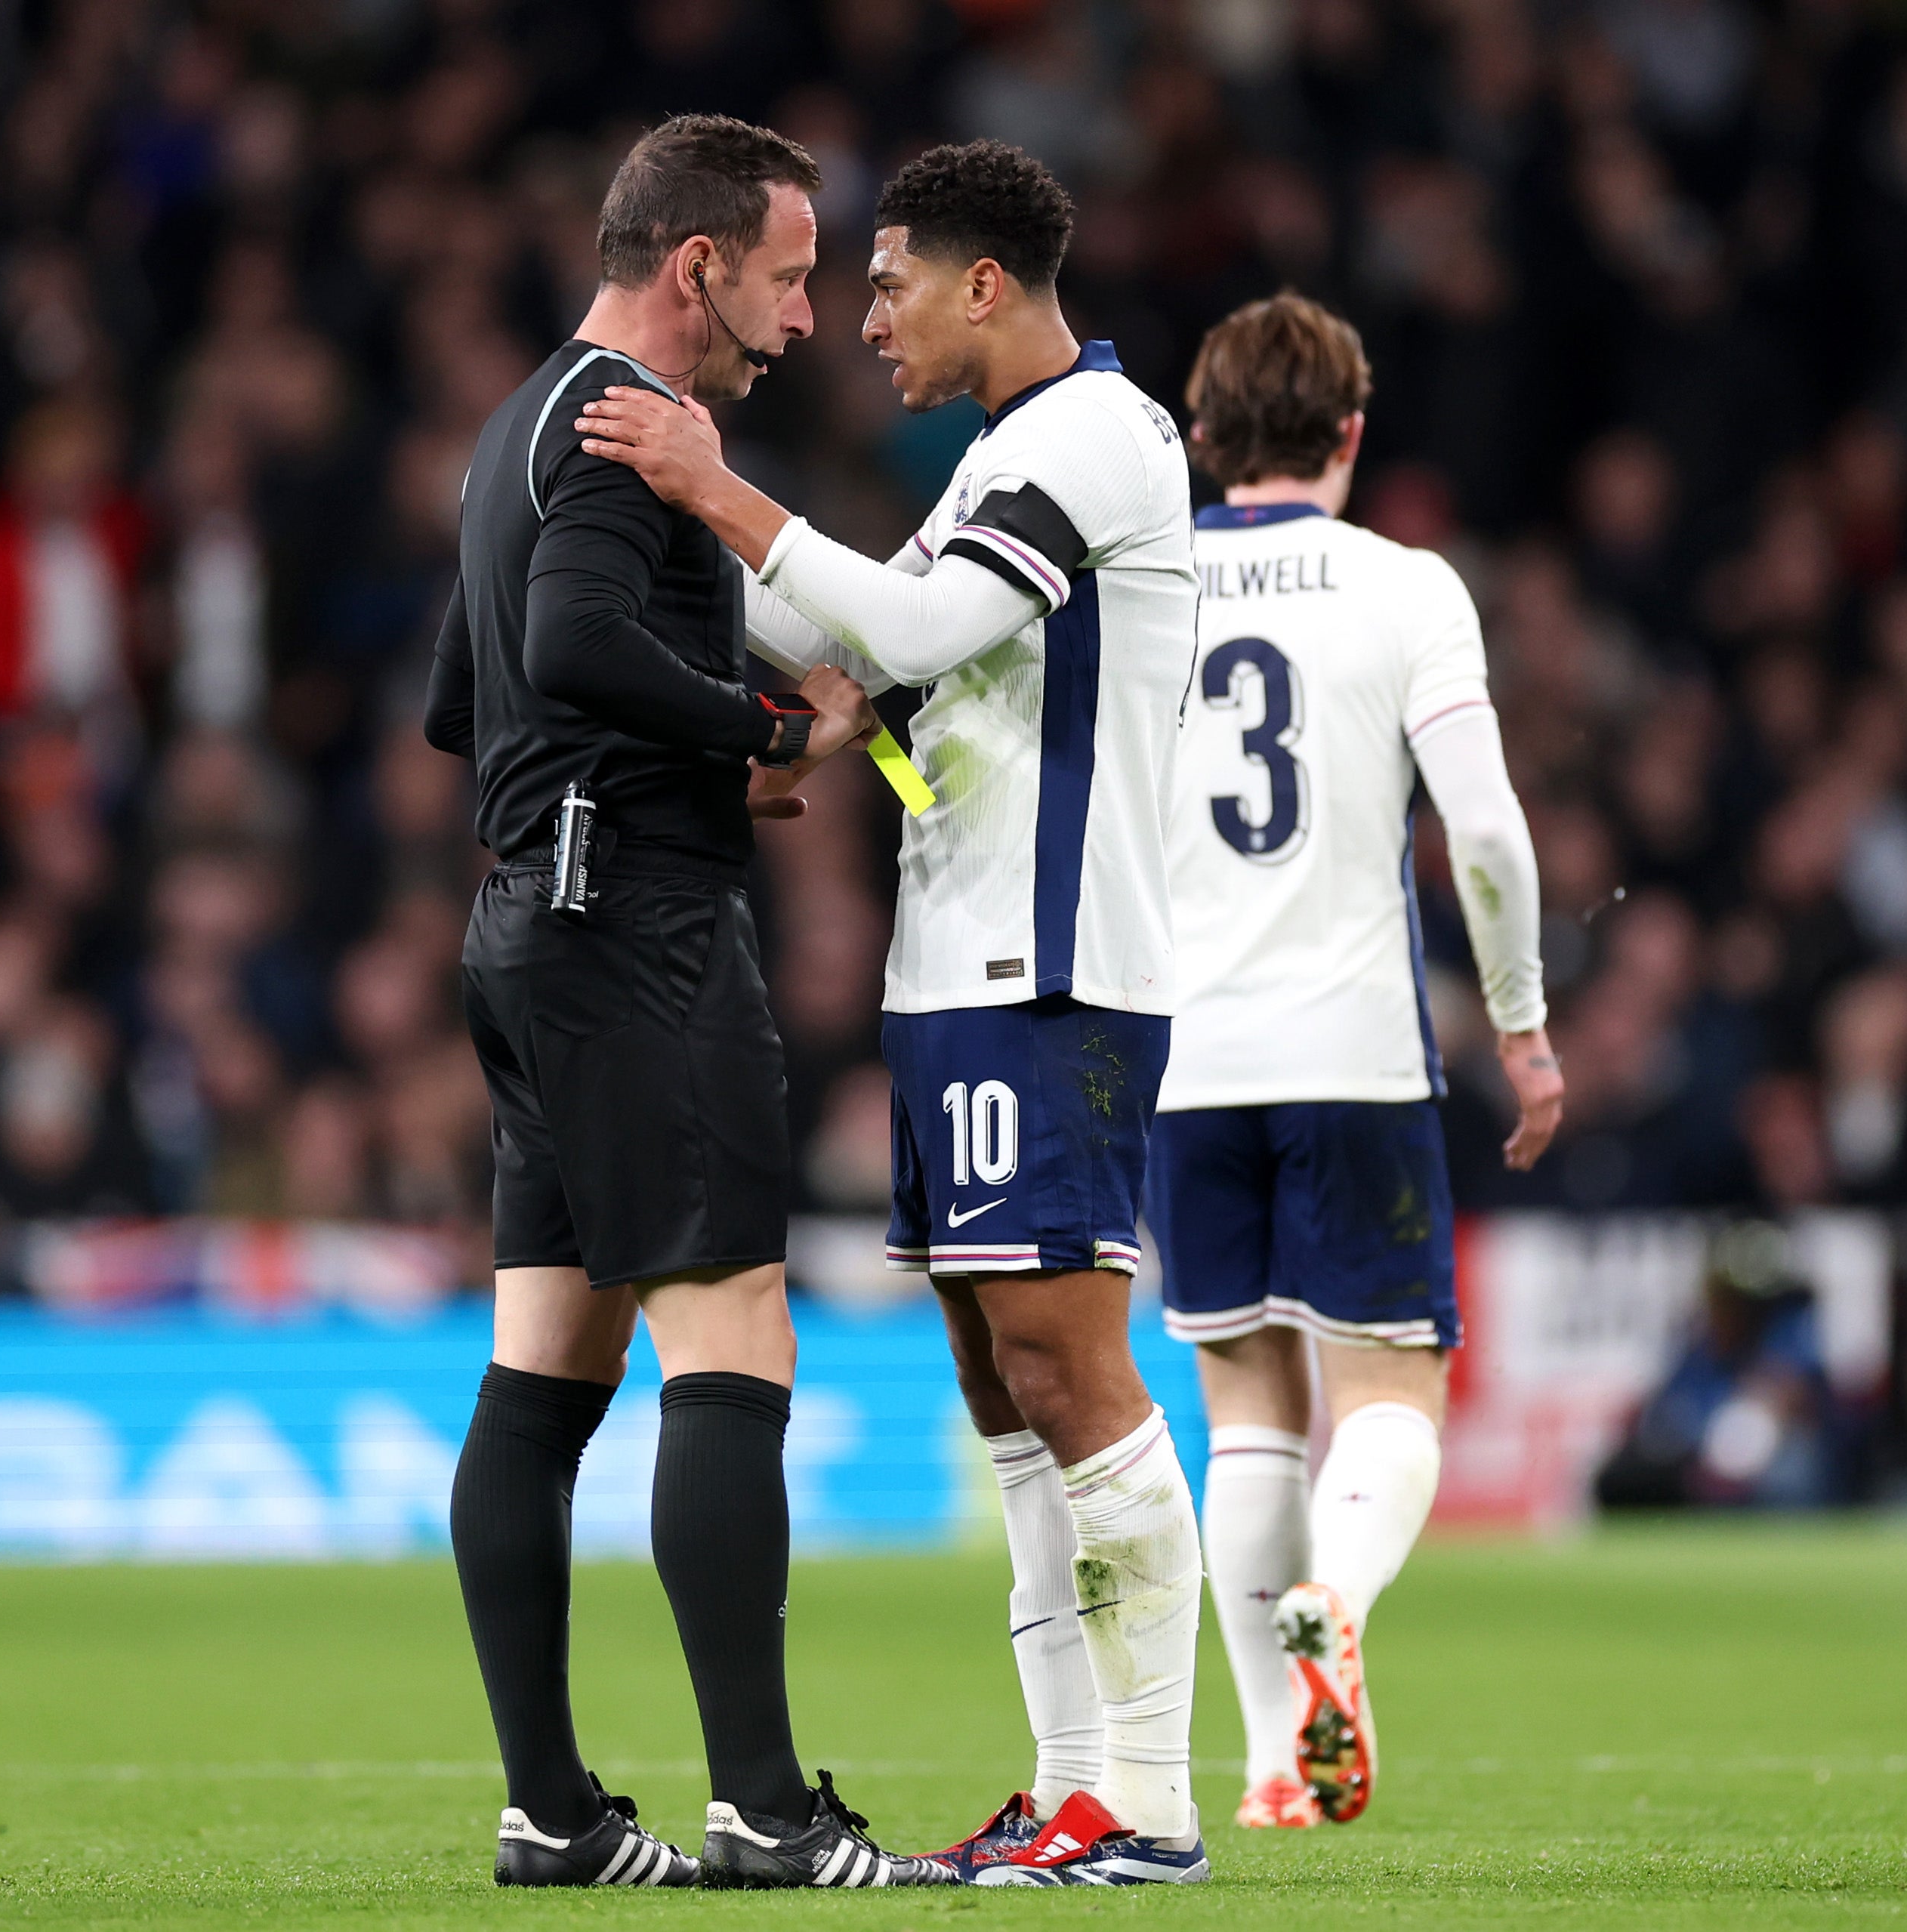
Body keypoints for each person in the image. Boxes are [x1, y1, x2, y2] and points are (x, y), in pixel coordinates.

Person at [576, 139, 1207, 1887]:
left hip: (1051, 968)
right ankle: (1066, 1783)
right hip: (961, 973)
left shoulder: (1093, 437)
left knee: (1068, 1370)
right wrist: (685, 529)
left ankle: (1145, 1800)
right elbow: (860, 641)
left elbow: (917, 615)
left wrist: (719, 491)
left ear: (984, 285)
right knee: (998, 1385)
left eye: (888, 281)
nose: (859, 316)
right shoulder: (1004, 458)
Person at [419, 113, 948, 1891]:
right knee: (732, 1342)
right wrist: (755, 733)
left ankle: (551, 1811)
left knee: (542, 1373)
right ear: (696, 263)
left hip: (525, 924)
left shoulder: (514, 429)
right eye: (793, 274)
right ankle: (760, 1808)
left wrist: (710, 679)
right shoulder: (621, 431)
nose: (805, 317)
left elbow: (464, 692)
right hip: (631, 932)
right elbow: (570, 650)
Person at [1150, 294, 1561, 1830]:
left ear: (1202, 439)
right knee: (1390, 1391)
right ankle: (1339, 1598)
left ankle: (1275, 1763)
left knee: (1243, 1406)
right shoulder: (1405, 588)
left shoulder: (1147, 587)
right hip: (1353, 1048)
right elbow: (1489, 831)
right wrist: (1516, 1023)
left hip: (1185, 1053)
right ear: (1348, 436)